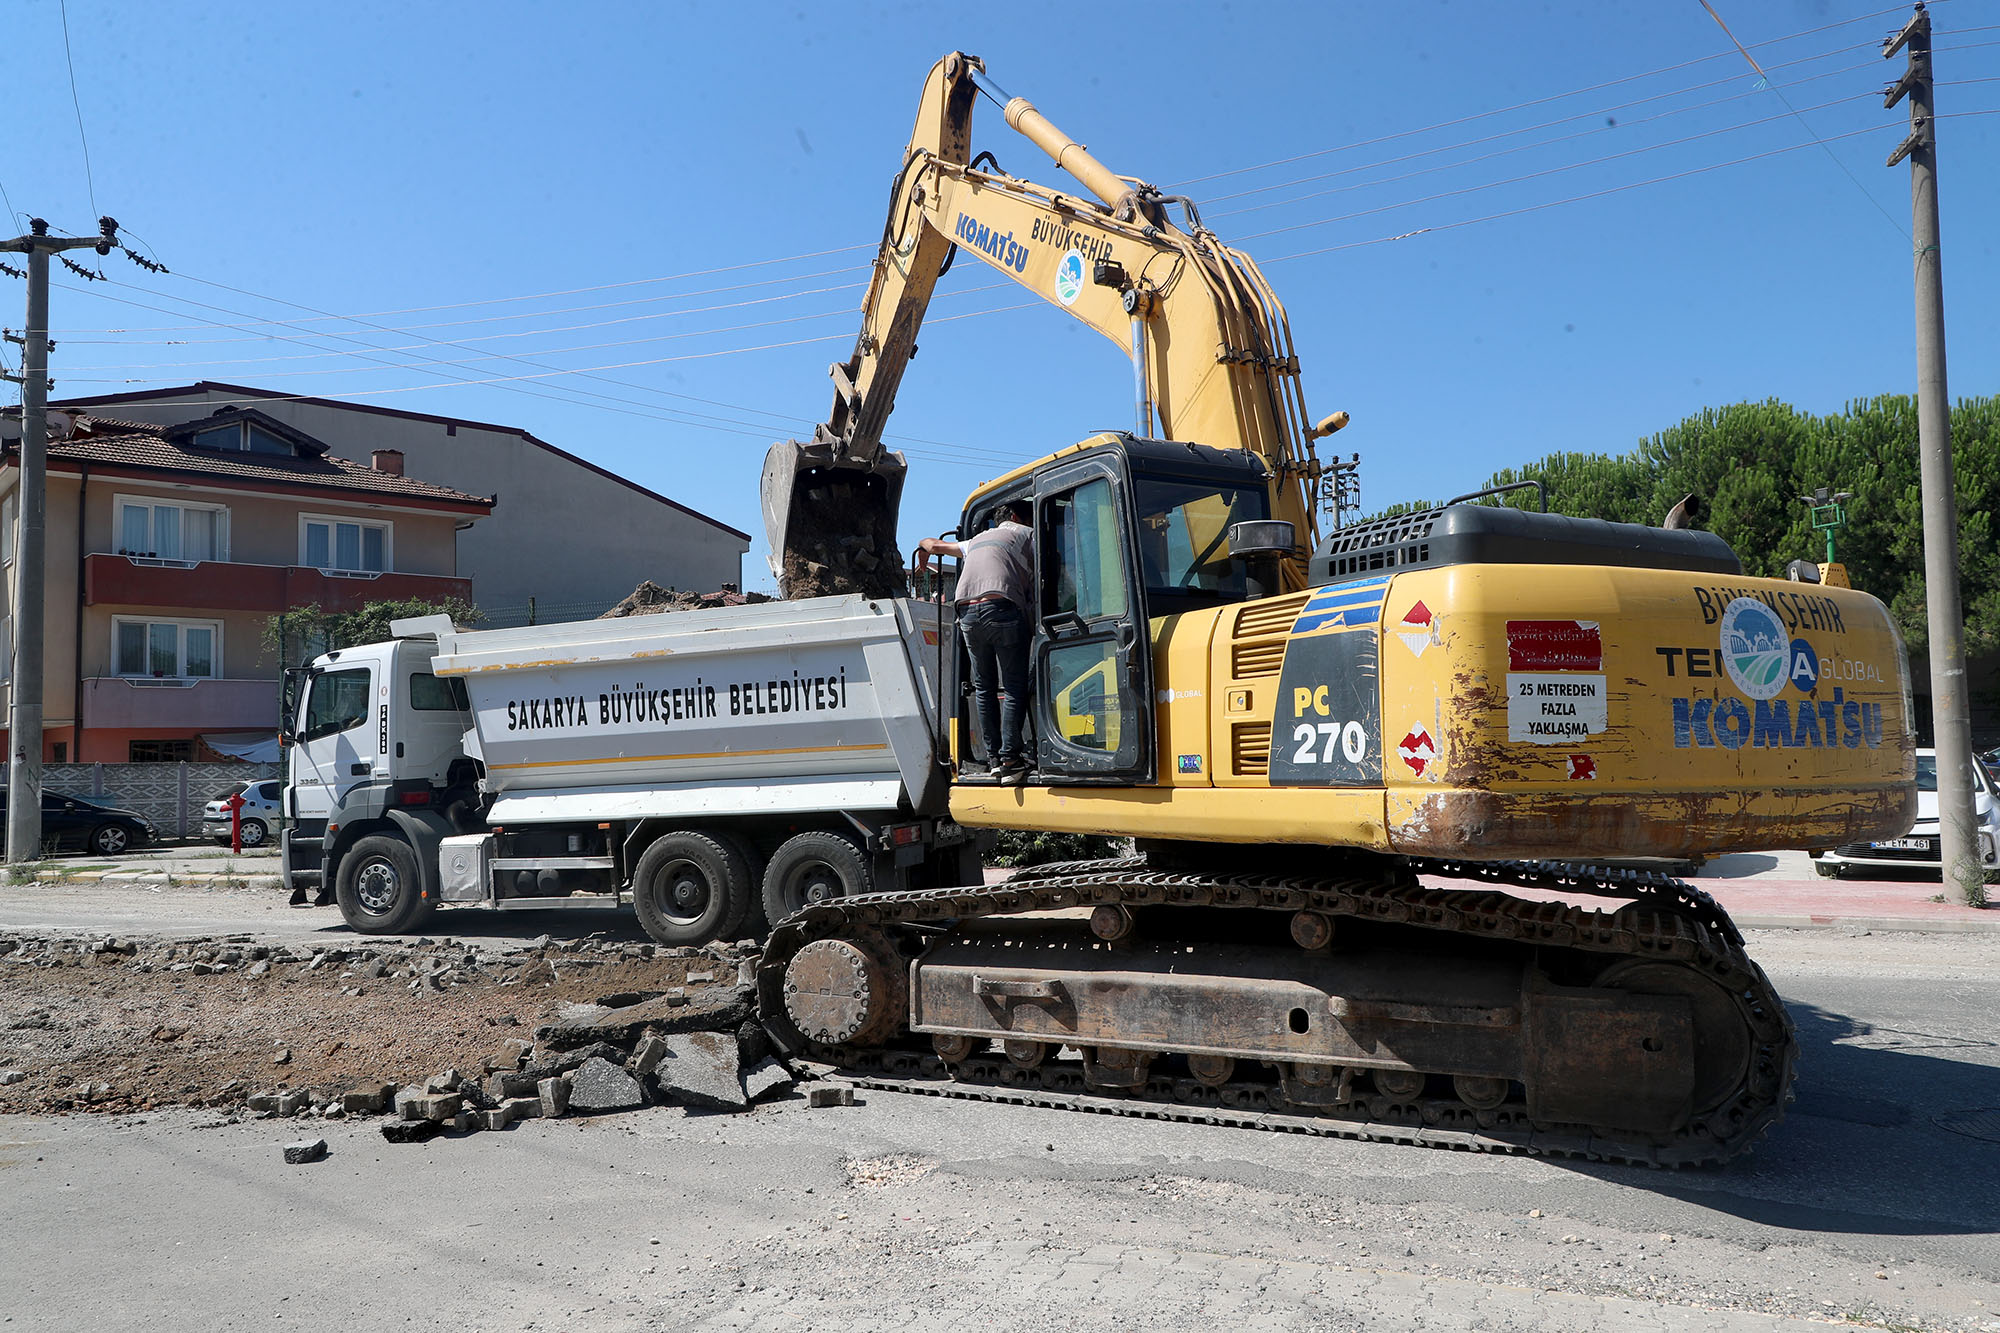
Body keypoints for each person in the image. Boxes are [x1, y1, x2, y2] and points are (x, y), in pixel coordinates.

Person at [917, 500, 1034, 784]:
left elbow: (930, 544)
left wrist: (922, 556)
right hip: (1001, 607)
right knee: (1015, 686)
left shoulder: (977, 540)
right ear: (1018, 517)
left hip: (967, 612)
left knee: (984, 688)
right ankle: (1011, 760)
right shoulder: (1026, 534)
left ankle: (993, 759)